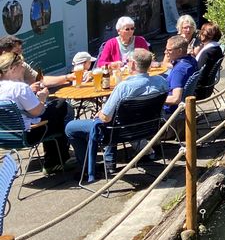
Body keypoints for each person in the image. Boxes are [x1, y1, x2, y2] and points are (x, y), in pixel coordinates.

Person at [65, 48, 167, 180]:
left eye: (128, 61)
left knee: (71, 127)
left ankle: (88, 168)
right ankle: (108, 162)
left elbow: (106, 117)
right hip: (149, 128)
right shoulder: (160, 82)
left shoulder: (124, 87)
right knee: (115, 120)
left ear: (133, 64)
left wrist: (100, 113)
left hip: (119, 131)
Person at [0, 51, 72, 170]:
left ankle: (56, 159)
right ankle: (58, 159)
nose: (23, 68)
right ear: (12, 68)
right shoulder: (19, 88)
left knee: (55, 110)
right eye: (21, 65)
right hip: (28, 134)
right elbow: (37, 112)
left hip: (6, 136)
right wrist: (42, 98)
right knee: (61, 106)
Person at [0, 35, 71, 88]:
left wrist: (67, 77)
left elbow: (41, 81)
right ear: (4, 53)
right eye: (17, 51)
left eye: (21, 49)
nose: (21, 52)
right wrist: (28, 91)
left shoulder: (22, 64)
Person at [161, 35, 198, 117]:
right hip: (186, 106)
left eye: (169, 50)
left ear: (179, 51)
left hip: (170, 111)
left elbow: (176, 99)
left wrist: (155, 100)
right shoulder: (192, 60)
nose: (165, 52)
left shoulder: (179, 70)